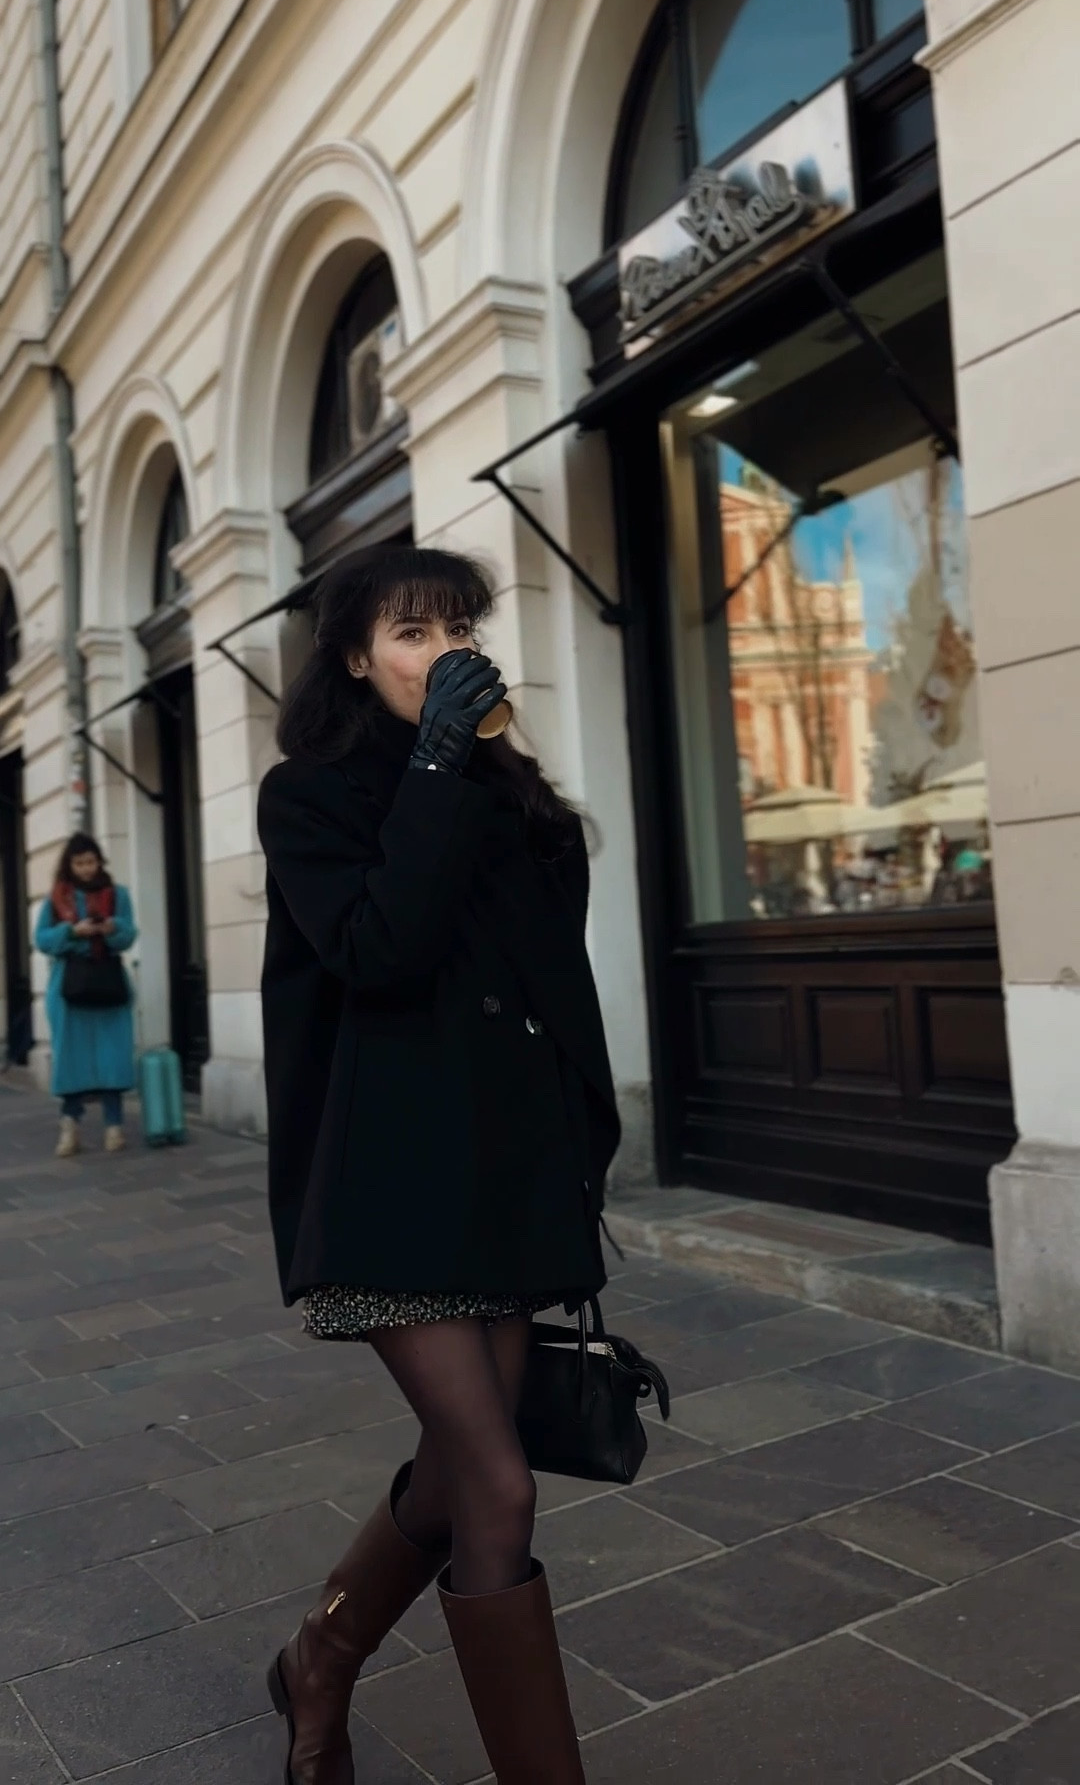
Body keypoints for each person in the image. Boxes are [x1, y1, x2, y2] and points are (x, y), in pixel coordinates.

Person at [258, 544, 620, 1785]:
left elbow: (546, 990)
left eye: (458, 626)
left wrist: (583, 1157)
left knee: (463, 1471)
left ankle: (322, 1657)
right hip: (385, 1182)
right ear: (357, 658)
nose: (446, 650)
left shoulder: (506, 801)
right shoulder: (311, 797)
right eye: (413, 633)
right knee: (500, 1487)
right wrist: (435, 763)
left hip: (506, 1176)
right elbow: (380, 949)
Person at [34, 833, 137, 1157]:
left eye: (91, 861)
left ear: (99, 861)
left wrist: (112, 928)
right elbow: (42, 939)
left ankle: (114, 1128)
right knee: (71, 1059)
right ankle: (70, 1129)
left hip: (109, 983)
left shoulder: (118, 894)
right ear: (70, 864)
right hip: (69, 986)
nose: (86, 869)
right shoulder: (56, 899)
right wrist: (71, 931)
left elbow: (129, 933)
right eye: (79, 863)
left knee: (113, 1057)